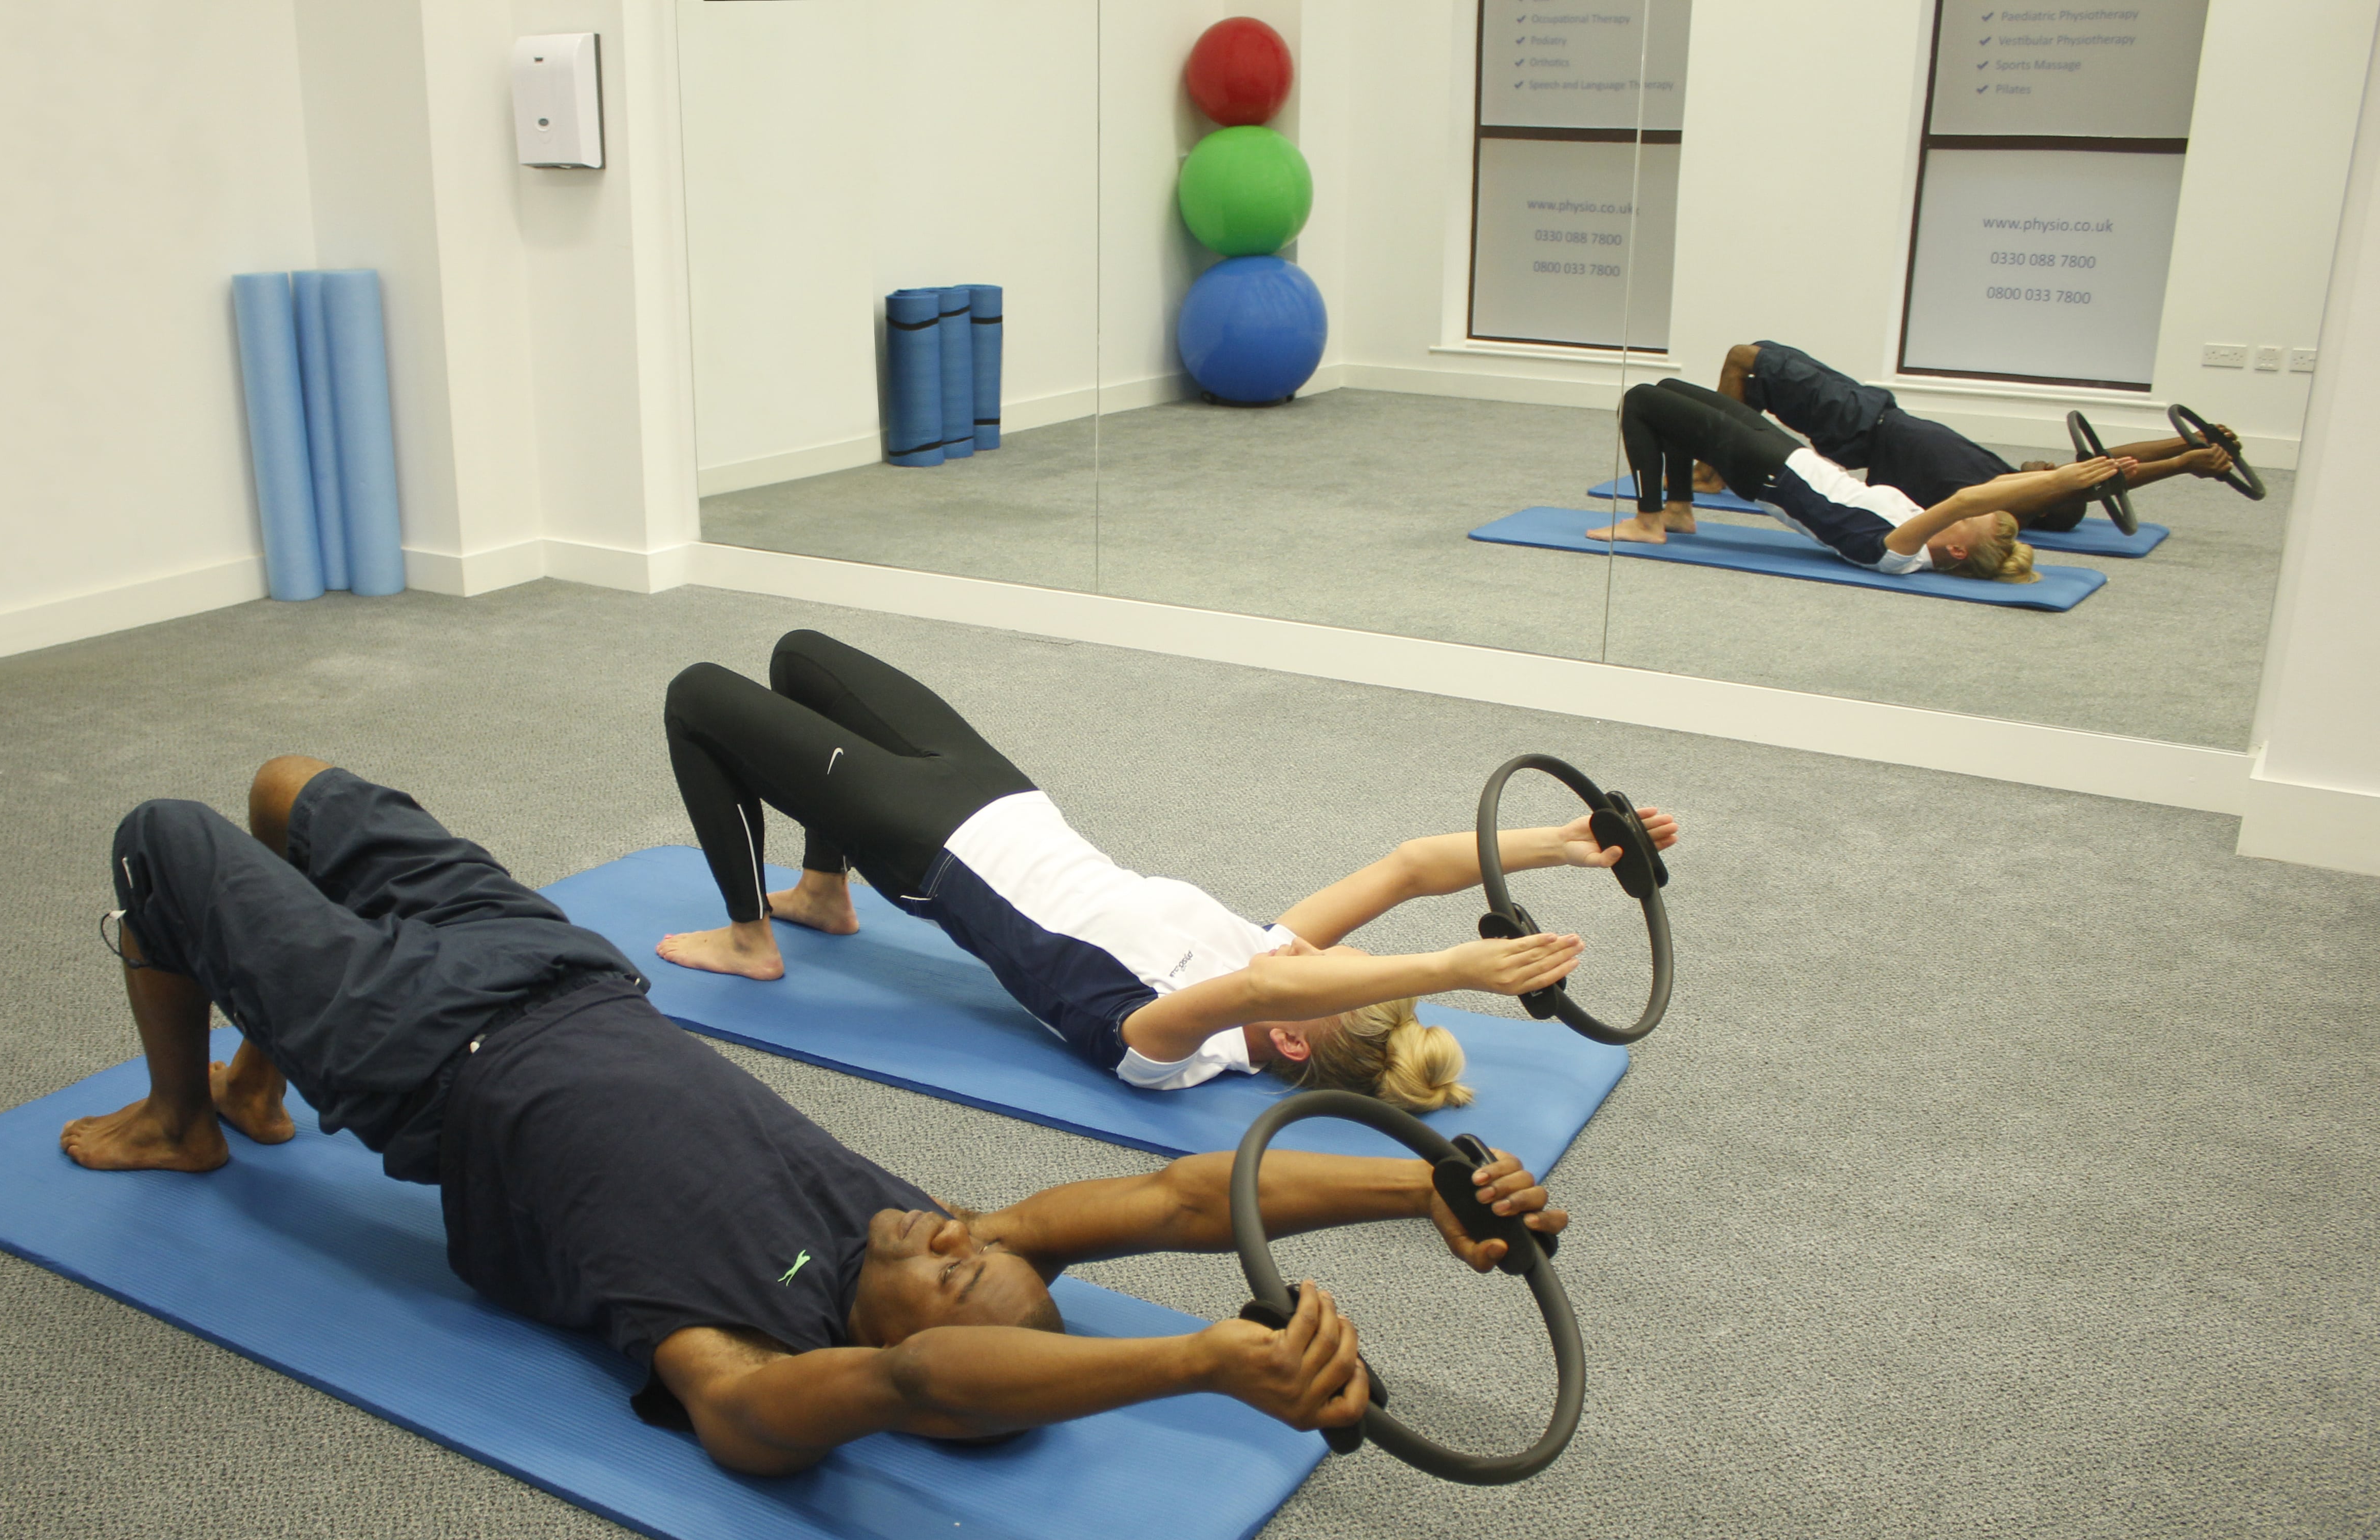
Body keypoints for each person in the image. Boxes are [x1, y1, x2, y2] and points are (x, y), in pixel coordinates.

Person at [64, 756, 1567, 1477]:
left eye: (952, 1271)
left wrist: (1192, 1364)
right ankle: (257, 1071)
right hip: (561, 972)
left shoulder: (741, 1355)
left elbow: (907, 1391)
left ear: (916, 1341)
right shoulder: (903, 1233)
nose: (948, 1230)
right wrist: (1418, 1189)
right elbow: (1187, 1204)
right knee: (287, 788)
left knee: (165, 841)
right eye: (972, 1244)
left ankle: (183, 1117)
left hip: (422, 1057)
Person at [655, 631, 1679, 1110]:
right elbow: (1409, 867)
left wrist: (1453, 971)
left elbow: (1277, 984)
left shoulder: (1167, 1050)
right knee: (798, 659)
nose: (1326, 952)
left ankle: (753, 939)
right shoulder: (1272, 962)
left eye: (1336, 975)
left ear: (1285, 1037)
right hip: (1006, 794)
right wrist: (1561, 845)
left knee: (702, 689)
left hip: (931, 847)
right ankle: (823, 894)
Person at [1586, 377, 2124, 583]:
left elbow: (1970, 495)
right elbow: (1971, 502)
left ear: (1959, 552)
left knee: (1640, 400)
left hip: (1770, 474)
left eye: (1970, 523)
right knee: (1669, 390)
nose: (1964, 513)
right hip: (1791, 458)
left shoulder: (1898, 553)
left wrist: (2065, 482)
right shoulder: (1921, 536)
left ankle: (1649, 520)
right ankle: (1677, 510)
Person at [1708, 339, 2240, 530]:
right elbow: (2103, 458)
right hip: (1873, 414)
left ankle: (1708, 472)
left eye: (2056, 479)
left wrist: (2181, 469)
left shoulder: (2008, 498)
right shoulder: (2005, 479)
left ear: (2049, 498)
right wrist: (2189, 443)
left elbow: (2093, 480)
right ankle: (1712, 465)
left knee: (1745, 358)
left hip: (1862, 425)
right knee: (1754, 371)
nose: (2051, 466)